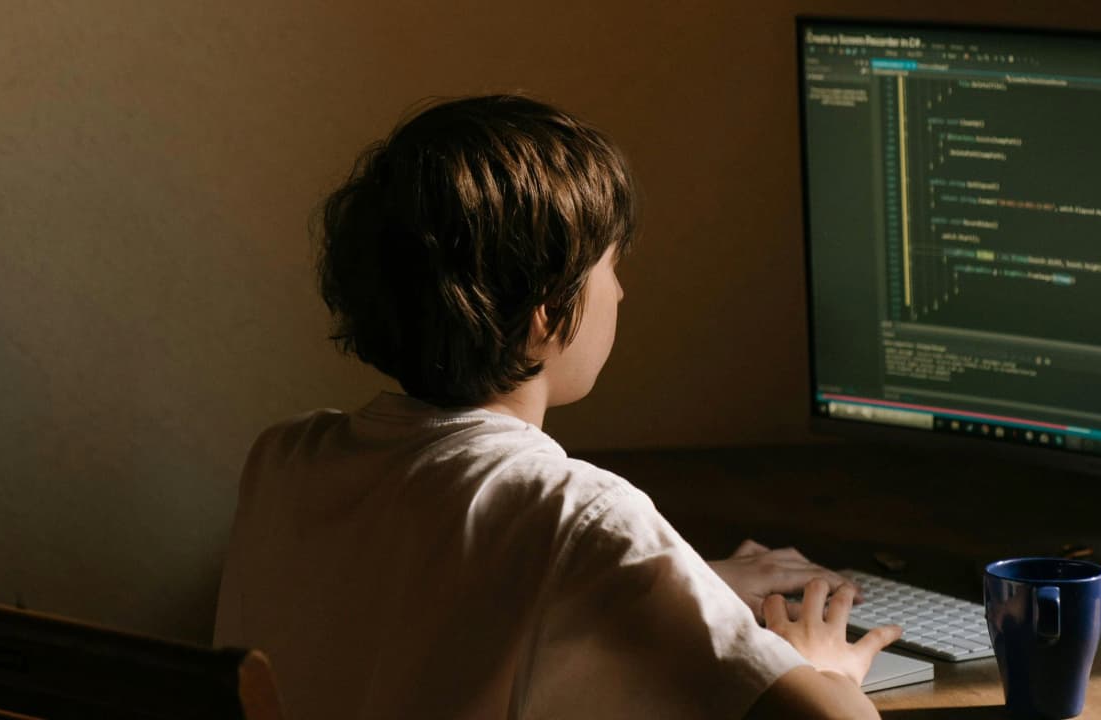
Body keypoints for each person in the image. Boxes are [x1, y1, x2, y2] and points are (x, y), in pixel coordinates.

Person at [213, 94, 901, 719]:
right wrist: (824, 668)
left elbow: (423, 602)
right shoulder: (580, 513)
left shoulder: (285, 456)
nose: (622, 295)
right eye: (611, 267)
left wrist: (691, 583)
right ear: (549, 311)